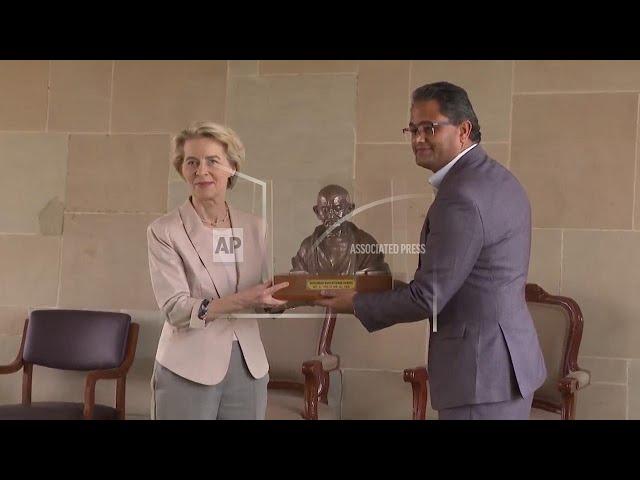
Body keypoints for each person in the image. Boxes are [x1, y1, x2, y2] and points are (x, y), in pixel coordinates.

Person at [316, 82, 546, 420]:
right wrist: (383, 285)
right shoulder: (497, 178)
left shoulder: (462, 196)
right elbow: (464, 281)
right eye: (412, 129)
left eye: (429, 128)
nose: (417, 138)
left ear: (464, 130)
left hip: (480, 376)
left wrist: (354, 302)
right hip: (504, 367)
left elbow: (428, 298)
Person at [147, 121, 288, 419]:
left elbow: (264, 298)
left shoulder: (255, 227)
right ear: (181, 169)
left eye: (212, 161)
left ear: (233, 168)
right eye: (192, 162)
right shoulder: (164, 231)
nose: (202, 171)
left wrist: (292, 295)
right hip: (187, 367)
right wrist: (248, 299)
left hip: (249, 367)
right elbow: (176, 309)